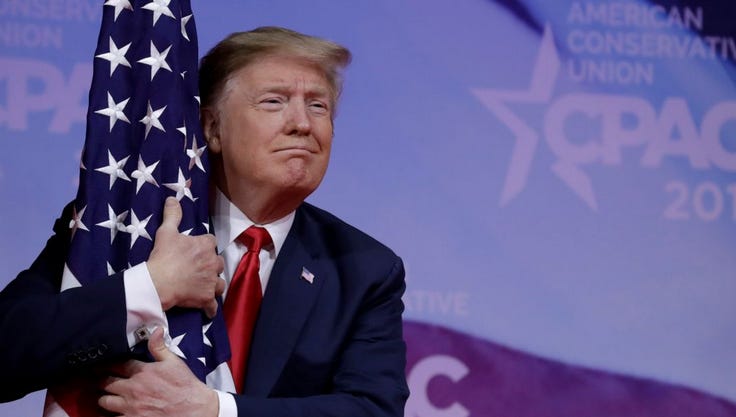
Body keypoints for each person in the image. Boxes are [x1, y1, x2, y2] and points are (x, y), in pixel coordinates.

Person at [0, 27, 408, 417]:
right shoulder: (122, 224)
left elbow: (374, 409)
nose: (302, 123)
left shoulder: (363, 269)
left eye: (318, 105)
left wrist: (214, 411)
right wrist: (149, 286)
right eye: (274, 101)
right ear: (212, 128)